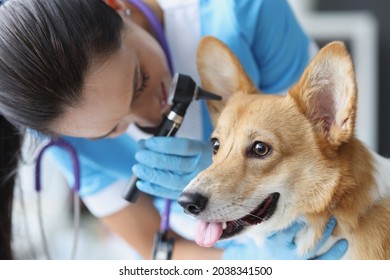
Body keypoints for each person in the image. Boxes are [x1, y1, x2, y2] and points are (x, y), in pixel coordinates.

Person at [0, 0, 348, 260]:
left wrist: (229, 172)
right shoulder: (64, 132)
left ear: (118, 6)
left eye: (141, 81)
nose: (152, 113)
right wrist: (249, 263)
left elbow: (324, 148)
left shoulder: (242, 12)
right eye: (111, 129)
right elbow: (156, 250)